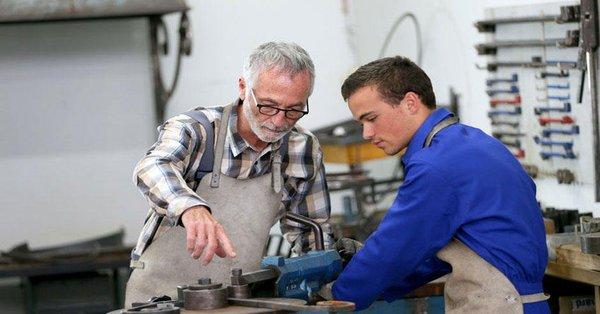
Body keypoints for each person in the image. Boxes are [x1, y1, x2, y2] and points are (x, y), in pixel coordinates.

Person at [331, 56, 549, 313]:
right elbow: (435, 253)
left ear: (410, 103)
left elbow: (393, 248)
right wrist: (376, 278)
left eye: (372, 118)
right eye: (361, 124)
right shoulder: (472, 143)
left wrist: (335, 297)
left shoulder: (435, 165)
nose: (366, 133)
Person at [125, 41, 333, 305]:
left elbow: (312, 237)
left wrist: (322, 293)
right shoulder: (196, 131)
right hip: (158, 299)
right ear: (243, 88)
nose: (279, 121)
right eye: (268, 106)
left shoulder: (301, 148)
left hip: (239, 302)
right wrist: (190, 208)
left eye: (293, 110)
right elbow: (152, 167)